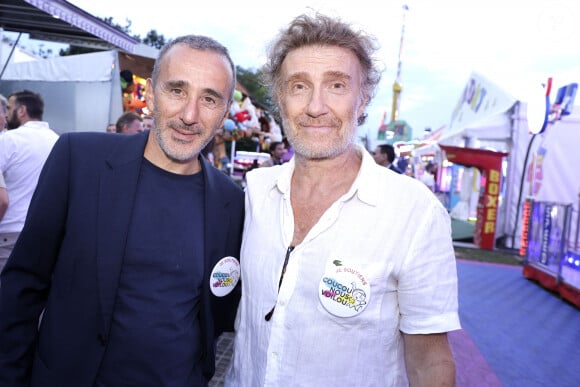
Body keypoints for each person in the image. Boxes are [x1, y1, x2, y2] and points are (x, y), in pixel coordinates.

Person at [226, 13, 460, 387]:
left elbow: (430, 360)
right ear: (280, 98)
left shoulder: (414, 212)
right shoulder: (255, 191)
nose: (316, 106)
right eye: (299, 86)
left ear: (362, 95)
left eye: (336, 85)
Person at [0, 34, 244, 387]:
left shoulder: (231, 202)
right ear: (150, 94)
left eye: (209, 99)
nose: (190, 115)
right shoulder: (79, 160)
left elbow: (219, 308)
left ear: (223, 115)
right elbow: (23, 284)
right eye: (177, 90)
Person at [0, 90, 59, 275]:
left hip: (9, 232)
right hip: (45, 232)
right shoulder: (57, 141)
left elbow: (2, 200)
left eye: (9, 107)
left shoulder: (9, 140)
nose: (7, 113)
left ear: (22, 110)